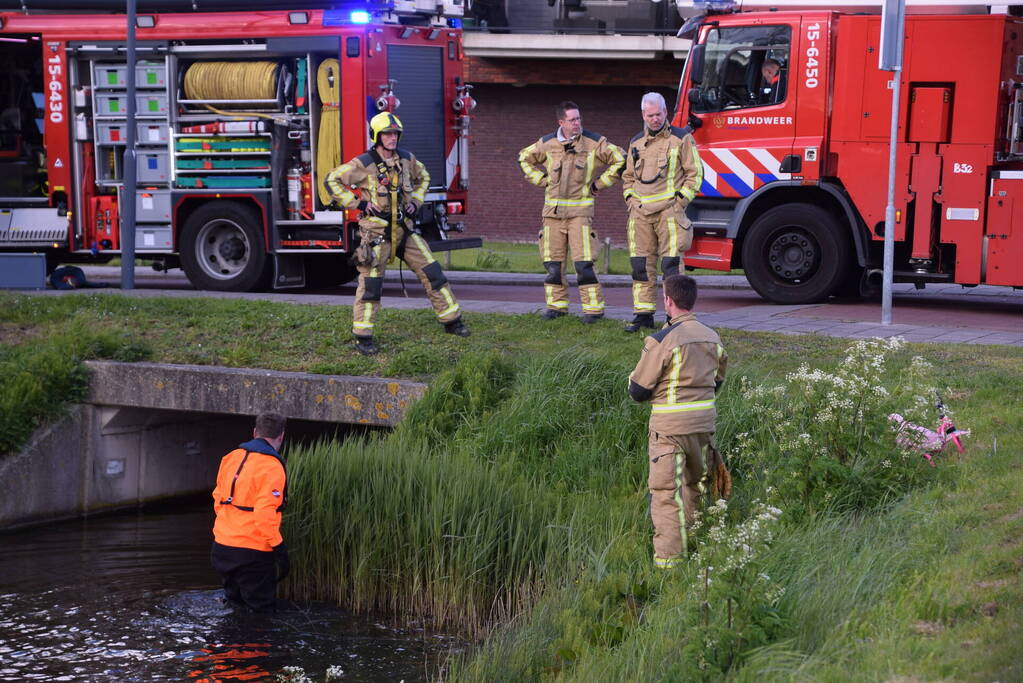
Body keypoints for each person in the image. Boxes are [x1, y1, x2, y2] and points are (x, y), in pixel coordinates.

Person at [324, 112, 469, 355]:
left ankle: (452, 321)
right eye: (387, 134)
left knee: (433, 273)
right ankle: (363, 336)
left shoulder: (407, 159)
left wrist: (416, 201)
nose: (392, 138)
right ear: (376, 136)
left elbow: (424, 177)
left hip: (405, 231)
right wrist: (358, 203)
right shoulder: (363, 163)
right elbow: (332, 180)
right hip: (377, 235)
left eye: (395, 134)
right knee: (371, 285)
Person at [627, 275, 728, 568]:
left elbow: (638, 391)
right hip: (704, 426)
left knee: (666, 496)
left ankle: (669, 566)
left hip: (669, 430)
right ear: (692, 300)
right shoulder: (713, 337)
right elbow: (717, 382)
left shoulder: (662, 340)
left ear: (668, 301)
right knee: (695, 486)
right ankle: (696, 547)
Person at [518, 101, 625, 322]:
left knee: (584, 264)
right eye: (572, 120)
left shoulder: (594, 143)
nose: (577, 123)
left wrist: (599, 184)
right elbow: (523, 158)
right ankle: (556, 308)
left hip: (580, 214)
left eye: (579, 118)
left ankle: (593, 310)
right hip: (552, 215)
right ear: (561, 122)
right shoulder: (547, 143)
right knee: (553, 265)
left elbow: (621, 159)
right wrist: (542, 180)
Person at [621, 93, 703, 332]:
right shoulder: (636, 142)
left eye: (658, 114)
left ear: (666, 112)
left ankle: (674, 319)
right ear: (643, 115)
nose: (655, 119)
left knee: (671, 266)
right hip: (640, 214)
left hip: (669, 213)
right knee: (640, 265)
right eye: (650, 115)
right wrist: (630, 200)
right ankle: (643, 315)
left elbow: (695, 173)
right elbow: (627, 177)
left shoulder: (681, 138)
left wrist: (679, 203)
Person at [210, 411, 289, 613]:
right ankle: (256, 635)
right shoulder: (272, 466)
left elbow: (218, 499)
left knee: (235, 606)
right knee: (261, 612)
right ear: (281, 436)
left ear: (254, 432)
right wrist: (279, 548)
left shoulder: (230, 457)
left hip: (221, 548)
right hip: (252, 553)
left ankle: (228, 635)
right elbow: (264, 515)